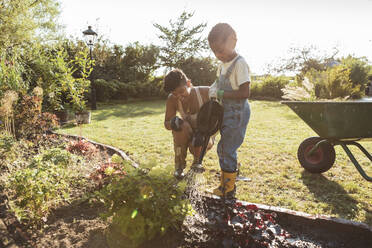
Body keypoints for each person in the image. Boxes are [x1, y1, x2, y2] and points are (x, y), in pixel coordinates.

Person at [207, 23, 251, 197]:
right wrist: (213, 89)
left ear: (232, 40)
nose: (218, 55)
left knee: (226, 148)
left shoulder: (240, 64)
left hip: (237, 113)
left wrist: (220, 93)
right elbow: (218, 83)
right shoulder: (221, 66)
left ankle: (229, 188)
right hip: (226, 111)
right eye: (214, 52)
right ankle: (228, 181)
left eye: (220, 50)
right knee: (224, 148)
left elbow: (245, 92)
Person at [163, 69, 215, 178]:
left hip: (205, 134)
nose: (179, 96)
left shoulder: (206, 92)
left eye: (181, 91)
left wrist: (207, 131)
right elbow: (166, 123)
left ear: (188, 83)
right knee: (179, 130)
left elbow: (221, 113)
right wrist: (173, 123)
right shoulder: (172, 99)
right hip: (188, 131)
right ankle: (179, 166)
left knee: (195, 145)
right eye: (174, 93)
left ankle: (197, 163)